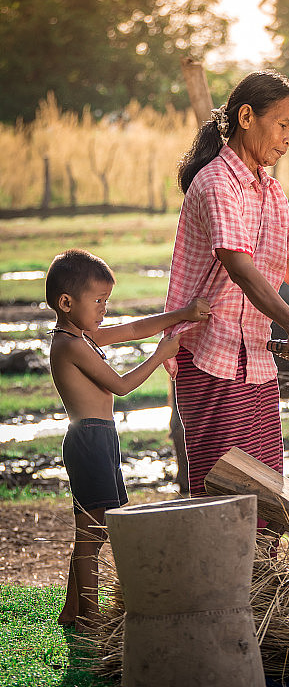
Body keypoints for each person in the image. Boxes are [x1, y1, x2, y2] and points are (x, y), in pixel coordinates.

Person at [164, 70, 289, 502]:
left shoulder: (271, 192)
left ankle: (263, 571)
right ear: (246, 117)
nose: (288, 139)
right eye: (283, 125)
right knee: (224, 493)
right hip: (211, 358)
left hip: (255, 361)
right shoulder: (215, 183)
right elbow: (240, 267)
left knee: (267, 491)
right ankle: (223, 571)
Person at [46, 248, 209, 630]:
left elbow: (134, 328)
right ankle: (88, 617)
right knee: (91, 534)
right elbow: (120, 386)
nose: (104, 309)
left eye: (107, 301)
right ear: (66, 303)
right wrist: (159, 355)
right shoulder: (70, 345)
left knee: (95, 529)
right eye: (99, 301)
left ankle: (72, 612)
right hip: (88, 440)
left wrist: (182, 314)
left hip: (100, 438)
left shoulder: (83, 336)